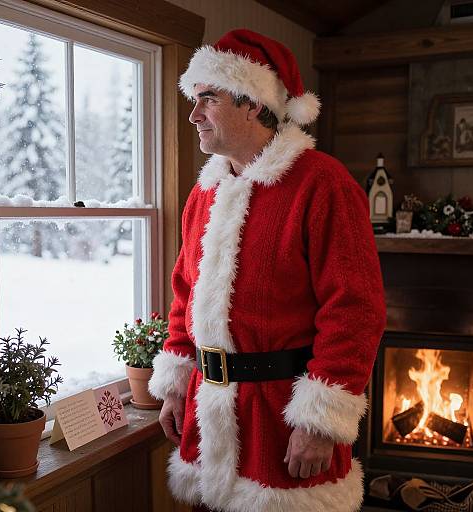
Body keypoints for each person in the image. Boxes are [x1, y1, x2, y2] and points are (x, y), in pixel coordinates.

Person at [148, 29, 386, 512]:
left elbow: (355, 309)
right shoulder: (205, 193)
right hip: (206, 411)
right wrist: (176, 383)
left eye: (207, 99)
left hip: (283, 418)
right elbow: (184, 295)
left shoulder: (322, 184)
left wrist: (319, 422)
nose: (193, 115)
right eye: (194, 100)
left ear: (253, 103)